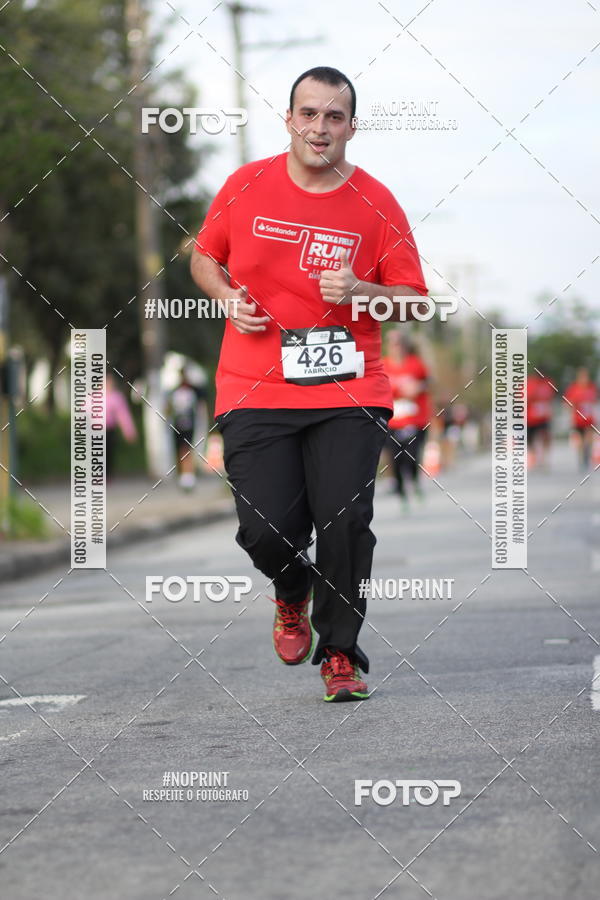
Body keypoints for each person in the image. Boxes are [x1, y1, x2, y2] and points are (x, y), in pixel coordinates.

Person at [190, 66, 428, 702]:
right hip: (254, 386)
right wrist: (224, 297)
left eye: (334, 116)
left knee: (345, 520)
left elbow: (414, 302)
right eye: (309, 113)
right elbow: (204, 255)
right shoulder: (246, 185)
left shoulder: (377, 203)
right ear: (288, 118)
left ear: (353, 126)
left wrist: (364, 291)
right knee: (265, 530)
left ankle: (341, 653)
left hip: (349, 389)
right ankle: (291, 589)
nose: (320, 127)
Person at [382, 330, 431, 504]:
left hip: (415, 420)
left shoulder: (415, 364)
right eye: (392, 343)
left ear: (405, 345)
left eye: (399, 343)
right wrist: (399, 390)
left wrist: (419, 386)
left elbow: (428, 382)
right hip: (393, 420)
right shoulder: (383, 365)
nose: (396, 347)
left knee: (412, 455)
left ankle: (415, 481)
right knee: (395, 458)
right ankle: (400, 490)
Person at [168, 368, 206, 490]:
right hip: (178, 424)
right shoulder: (174, 392)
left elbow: (200, 405)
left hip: (190, 424)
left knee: (187, 448)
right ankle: (184, 474)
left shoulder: (194, 391)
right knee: (180, 449)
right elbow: (169, 408)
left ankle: (188, 474)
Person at [105, 373, 137, 479]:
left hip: (109, 430)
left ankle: (107, 474)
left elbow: (124, 416)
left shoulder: (116, 397)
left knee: (108, 452)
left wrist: (129, 432)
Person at [565, 368, 598, 470]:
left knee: (588, 440)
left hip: (589, 419)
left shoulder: (592, 388)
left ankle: (586, 455)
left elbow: (595, 401)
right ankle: (581, 458)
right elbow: (567, 403)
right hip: (578, 419)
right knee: (579, 442)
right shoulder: (574, 389)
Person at [526, 372, 554, 469]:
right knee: (530, 439)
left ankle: (544, 459)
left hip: (543, 417)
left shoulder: (548, 383)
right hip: (530, 418)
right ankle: (533, 458)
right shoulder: (530, 383)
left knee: (546, 437)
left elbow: (550, 397)